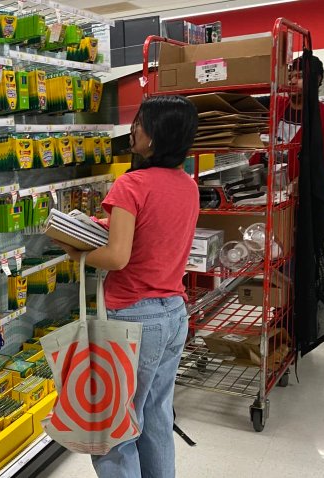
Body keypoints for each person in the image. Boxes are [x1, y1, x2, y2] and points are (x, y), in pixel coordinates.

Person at [55, 95, 200, 478]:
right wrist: (104, 227)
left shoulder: (131, 184)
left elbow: (117, 258)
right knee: (155, 417)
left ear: (154, 136)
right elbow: (158, 235)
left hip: (132, 318)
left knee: (113, 427)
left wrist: (77, 253)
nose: (133, 128)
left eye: (139, 122)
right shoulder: (188, 185)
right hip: (173, 314)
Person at [259, 55, 324, 210]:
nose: (291, 81)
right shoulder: (272, 105)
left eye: (300, 77)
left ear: (317, 79)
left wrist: (308, 179)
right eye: (290, 76)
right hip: (266, 199)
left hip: (310, 203)